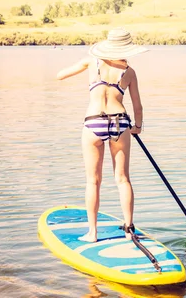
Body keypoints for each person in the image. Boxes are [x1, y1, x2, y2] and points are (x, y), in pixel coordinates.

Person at [56, 28, 148, 243]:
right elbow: (138, 106)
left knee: (93, 181)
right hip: (120, 122)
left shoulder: (91, 62)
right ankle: (129, 230)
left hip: (94, 122)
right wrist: (138, 126)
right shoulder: (129, 72)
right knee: (123, 179)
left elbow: (59, 76)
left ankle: (92, 233)